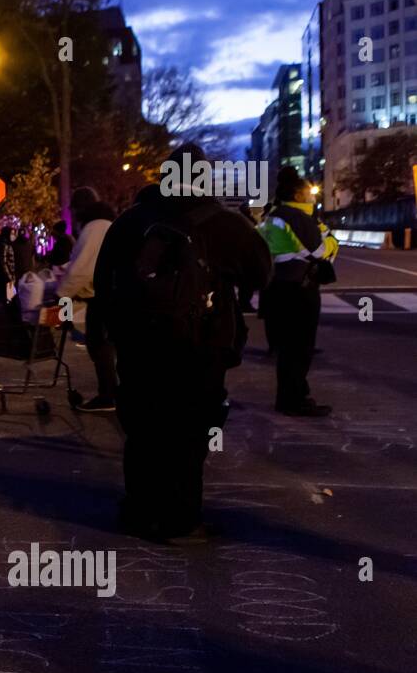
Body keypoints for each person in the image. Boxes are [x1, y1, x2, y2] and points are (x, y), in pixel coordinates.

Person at [94, 146, 272, 543]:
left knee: (143, 428)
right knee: (190, 432)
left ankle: (141, 510)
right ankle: (181, 520)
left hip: (139, 344)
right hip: (199, 346)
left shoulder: (129, 222)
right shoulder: (222, 223)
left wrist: (118, 330)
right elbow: (261, 275)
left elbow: (103, 283)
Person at [257, 167, 339, 417]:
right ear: (298, 194)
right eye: (308, 192)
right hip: (299, 289)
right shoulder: (298, 217)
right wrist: (332, 242)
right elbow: (319, 252)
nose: (313, 196)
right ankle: (293, 400)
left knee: (289, 348)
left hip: (280, 286)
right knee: (299, 348)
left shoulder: (274, 214)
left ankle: (293, 395)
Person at [57, 187, 118, 413]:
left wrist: (60, 294)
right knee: (107, 344)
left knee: (98, 343)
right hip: (113, 293)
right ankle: (112, 392)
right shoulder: (106, 225)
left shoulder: (94, 228)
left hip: (102, 296)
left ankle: (108, 395)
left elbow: (81, 269)